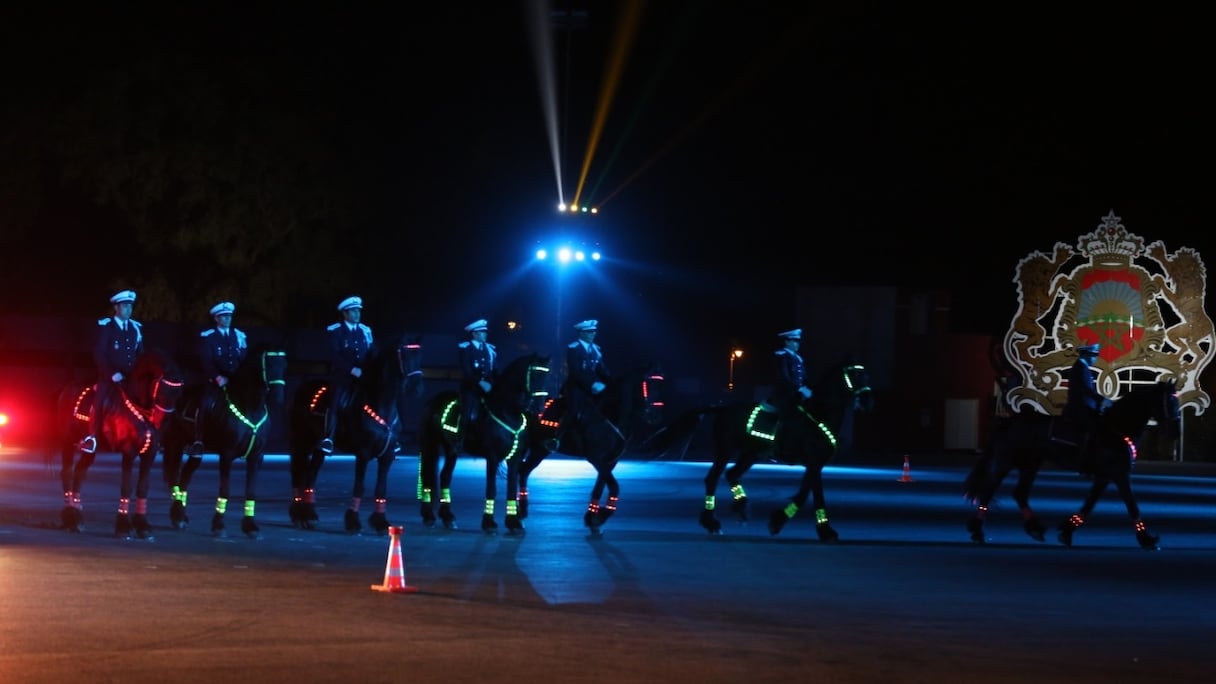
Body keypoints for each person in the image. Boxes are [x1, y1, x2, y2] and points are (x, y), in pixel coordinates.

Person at [80, 289, 143, 454]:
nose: (129, 309)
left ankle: (149, 436)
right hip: (109, 378)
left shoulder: (135, 328)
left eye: (130, 306)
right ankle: (91, 437)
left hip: (130, 377)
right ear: (116, 308)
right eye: (125, 306)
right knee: (100, 401)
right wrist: (111, 373)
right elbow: (99, 353)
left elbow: (140, 354)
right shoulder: (106, 326)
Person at [189, 301, 247, 455]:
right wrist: (217, 377)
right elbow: (206, 360)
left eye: (229, 316)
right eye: (223, 316)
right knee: (205, 404)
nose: (227, 319)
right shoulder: (208, 337)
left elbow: (243, 359)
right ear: (216, 319)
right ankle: (198, 440)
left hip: (236, 382)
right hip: (216, 382)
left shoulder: (239, 336)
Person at [547, 319, 610, 452]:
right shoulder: (574, 348)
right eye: (589, 332)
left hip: (594, 388)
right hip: (576, 387)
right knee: (573, 411)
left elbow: (602, 370)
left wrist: (611, 383)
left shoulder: (596, 350)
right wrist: (592, 384)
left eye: (594, 332)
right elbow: (576, 371)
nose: (593, 334)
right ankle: (557, 438)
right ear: (581, 333)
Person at [322, 295, 373, 453]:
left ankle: (389, 434)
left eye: (359, 311)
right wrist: (351, 369)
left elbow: (372, 352)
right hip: (343, 376)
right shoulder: (335, 331)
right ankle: (328, 438)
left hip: (363, 375)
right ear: (345, 314)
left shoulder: (365, 331)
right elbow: (333, 355)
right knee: (335, 401)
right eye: (353, 311)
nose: (357, 314)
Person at [1062, 342, 1109, 472]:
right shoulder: (1080, 368)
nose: (1095, 359)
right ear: (1087, 355)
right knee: (1091, 430)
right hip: (1080, 408)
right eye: (1094, 355)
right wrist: (1103, 400)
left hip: (1084, 406)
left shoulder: (1082, 367)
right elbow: (1086, 390)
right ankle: (1083, 460)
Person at [455, 318, 496, 451]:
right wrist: (479, 382)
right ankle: (459, 441)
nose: (485, 335)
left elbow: (493, 369)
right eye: (482, 332)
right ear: (474, 334)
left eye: (485, 332)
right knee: (467, 412)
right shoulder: (466, 348)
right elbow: (466, 371)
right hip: (471, 387)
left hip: (488, 387)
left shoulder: (490, 350)